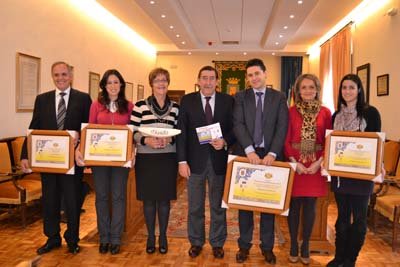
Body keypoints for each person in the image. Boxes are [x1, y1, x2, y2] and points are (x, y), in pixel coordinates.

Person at [20, 61, 92, 255]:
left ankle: (72, 239)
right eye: (56, 75)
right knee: (50, 201)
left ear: (71, 75)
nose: (60, 78)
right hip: (48, 161)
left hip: (71, 162)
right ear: (52, 77)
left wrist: (83, 151)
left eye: (64, 74)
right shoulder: (42, 99)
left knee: (72, 202)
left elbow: (87, 129)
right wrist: (25, 154)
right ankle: (52, 238)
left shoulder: (83, 99)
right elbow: (33, 128)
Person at [232, 58, 288, 264]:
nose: (254, 78)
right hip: (247, 155)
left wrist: (272, 153)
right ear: (247, 78)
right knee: (245, 204)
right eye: (250, 75)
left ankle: (267, 247)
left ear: (265, 74)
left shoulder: (279, 97)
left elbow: (282, 126)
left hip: (270, 157)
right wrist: (249, 151)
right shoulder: (240, 97)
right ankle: (244, 246)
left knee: (267, 203)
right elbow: (237, 124)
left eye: (257, 73)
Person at [177, 66, 235, 259]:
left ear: (217, 81)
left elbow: (236, 128)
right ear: (198, 80)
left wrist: (225, 140)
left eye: (211, 78)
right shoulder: (187, 101)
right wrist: (182, 161)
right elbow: (182, 133)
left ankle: (217, 243)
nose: (208, 82)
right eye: (204, 78)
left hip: (219, 162)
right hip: (194, 163)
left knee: (218, 206)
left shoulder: (228, 101)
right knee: (195, 206)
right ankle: (196, 242)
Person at [76, 69, 134, 255]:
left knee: (118, 197)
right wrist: (80, 149)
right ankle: (104, 237)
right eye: (109, 82)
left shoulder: (130, 106)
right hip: (100, 159)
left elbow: (132, 134)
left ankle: (115, 238)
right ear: (104, 86)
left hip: (120, 161)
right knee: (101, 197)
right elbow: (89, 129)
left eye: (116, 82)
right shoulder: (96, 106)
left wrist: (133, 152)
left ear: (121, 85)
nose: (113, 86)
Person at [327, 74, 382, 267]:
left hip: (362, 176)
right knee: (342, 218)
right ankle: (339, 257)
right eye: (344, 88)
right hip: (341, 176)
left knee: (359, 221)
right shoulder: (336, 116)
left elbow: (376, 144)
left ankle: (351, 260)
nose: (347, 91)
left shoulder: (371, 113)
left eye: (351, 87)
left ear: (359, 90)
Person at [284, 74, 332, 265]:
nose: (307, 91)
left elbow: (329, 140)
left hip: (315, 166)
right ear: (298, 91)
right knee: (294, 207)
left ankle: (305, 245)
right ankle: (294, 245)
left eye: (311, 87)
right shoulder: (291, 111)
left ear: (317, 89)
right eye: (303, 88)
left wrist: (317, 163)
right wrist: (295, 162)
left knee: (311, 208)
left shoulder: (326, 112)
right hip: (296, 165)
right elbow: (286, 140)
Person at [131, 68, 179, 254]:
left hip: (167, 158)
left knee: (165, 200)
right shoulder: (140, 106)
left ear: (168, 83)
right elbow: (133, 131)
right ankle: (151, 236)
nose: (161, 83)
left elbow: (179, 131)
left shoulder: (175, 107)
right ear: (151, 84)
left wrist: (170, 139)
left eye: (164, 80)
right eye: (157, 80)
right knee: (149, 200)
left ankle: (163, 236)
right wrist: (146, 140)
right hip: (146, 159)